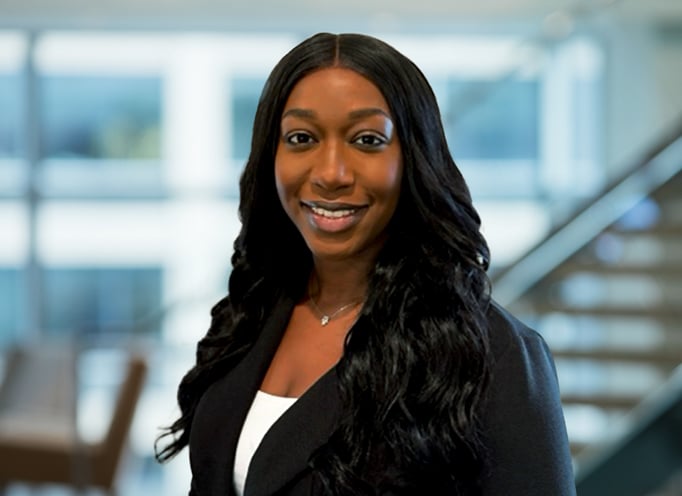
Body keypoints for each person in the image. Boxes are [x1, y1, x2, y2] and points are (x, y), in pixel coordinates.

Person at [156, 32, 576, 496]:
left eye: (367, 140)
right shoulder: (247, 318)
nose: (331, 173)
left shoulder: (495, 355)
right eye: (301, 138)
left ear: (414, 158)